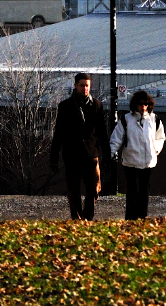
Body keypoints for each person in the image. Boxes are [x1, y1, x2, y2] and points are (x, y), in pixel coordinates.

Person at [50, 72, 111, 220]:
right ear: (75, 85)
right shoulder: (65, 106)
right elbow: (59, 133)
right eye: (82, 85)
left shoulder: (96, 105)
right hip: (72, 154)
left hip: (91, 153)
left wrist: (107, 155)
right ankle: (77, 220)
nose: (85, 89)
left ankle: (88, 218)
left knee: (94, 189)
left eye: (87, 86)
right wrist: (54, 157)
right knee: (73, 191)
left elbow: (102, 132)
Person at [109, 90, 166, 220]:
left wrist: (155, 150)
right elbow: (116, 138)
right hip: (131, 161)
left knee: (144, 192)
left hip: (148, 162)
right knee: (132, 191)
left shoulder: (154, 119)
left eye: (146, 104)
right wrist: (111, 153)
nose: (143, 107)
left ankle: (142, 218)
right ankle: (130, 218)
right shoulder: (126, 120)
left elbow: (160, 137)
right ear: (135, 104)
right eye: (140, 104)